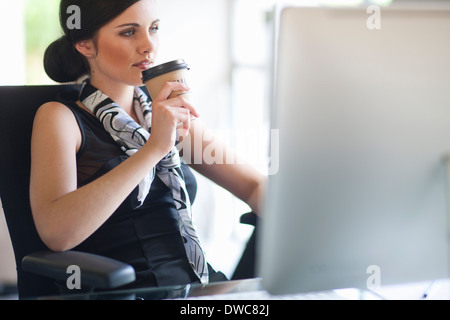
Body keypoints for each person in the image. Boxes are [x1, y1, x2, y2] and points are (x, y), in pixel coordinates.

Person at [29, 0, 265, 289]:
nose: (149, 46)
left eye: (153, 29)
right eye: (129, 32)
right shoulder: (60, 118)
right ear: (85, 45)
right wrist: (153, 148)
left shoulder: (162, 113)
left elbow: (254, 187)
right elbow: (57, 233)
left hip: (199, 286)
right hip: (132, 292)